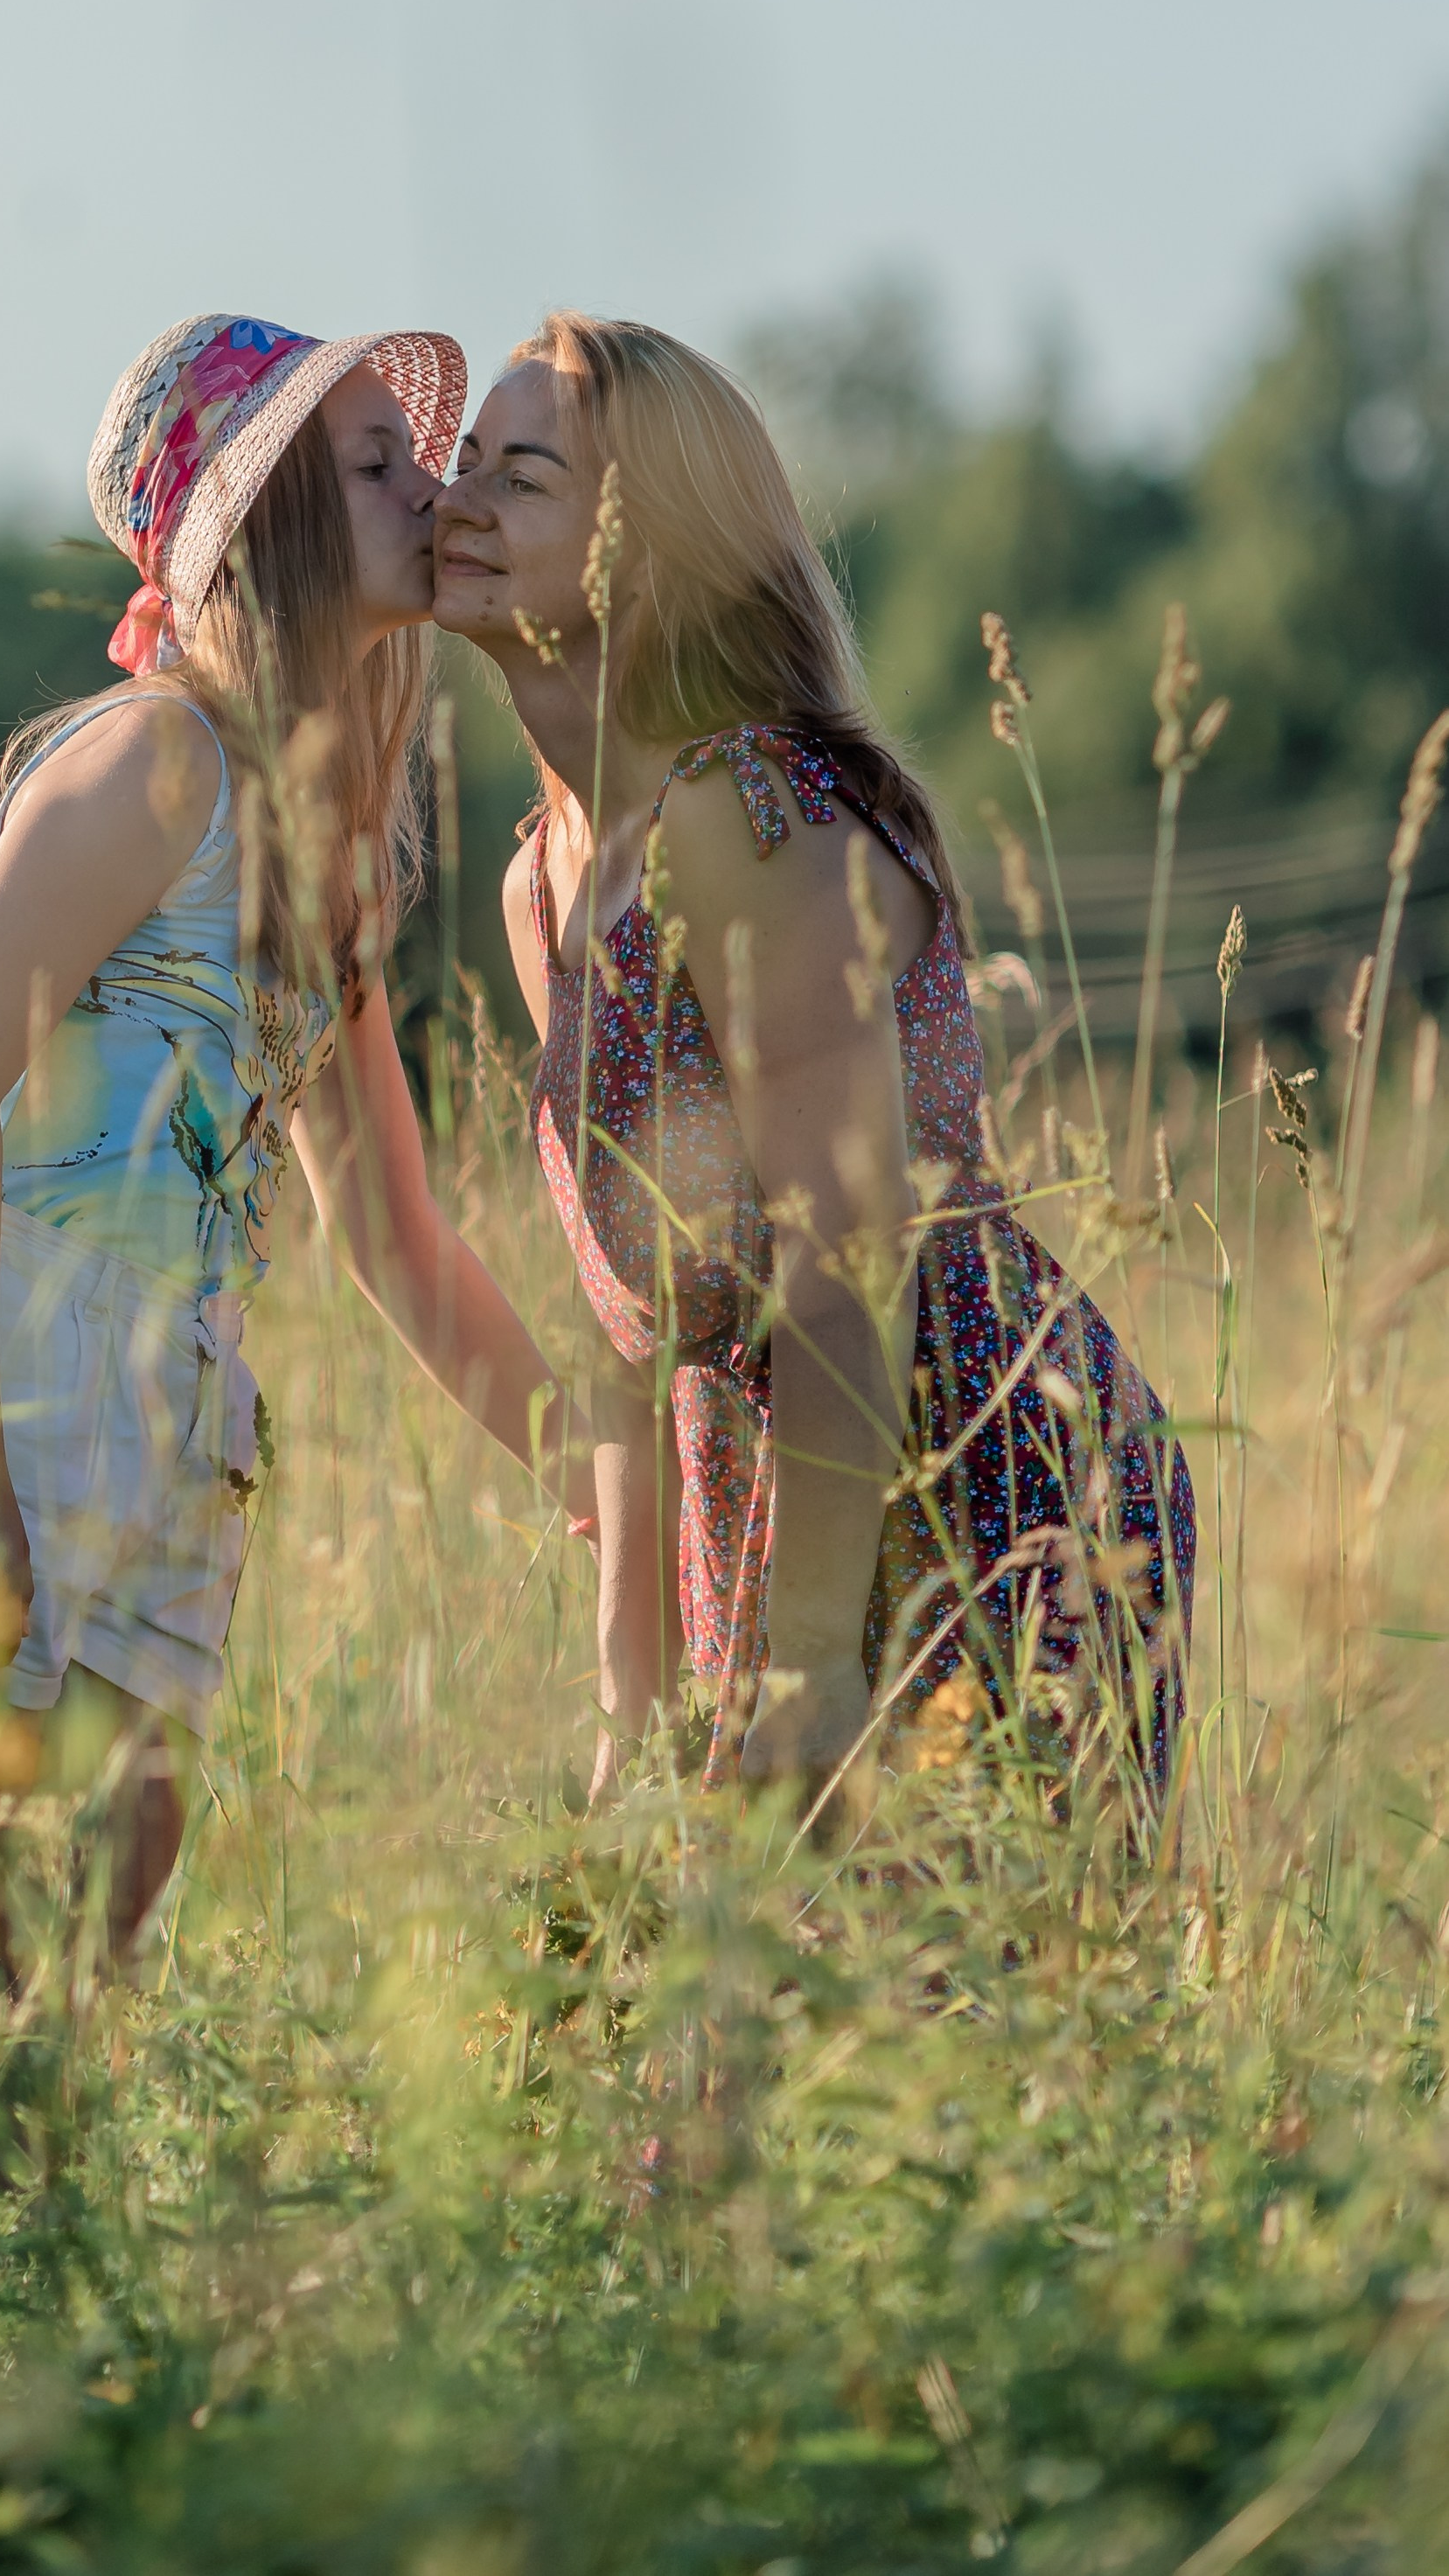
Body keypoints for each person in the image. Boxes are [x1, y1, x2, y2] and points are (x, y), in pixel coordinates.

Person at [0, 312, 592, 2216]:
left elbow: (390, 1231)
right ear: (265, 525)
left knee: (55, 2011)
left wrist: (602, 1466)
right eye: (373, 463)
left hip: (161, 1433)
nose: (429, 488)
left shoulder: (323, 869)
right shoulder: (153, 764)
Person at [431, 311, 1195, 1815]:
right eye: (460, 461)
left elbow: (845, 1254)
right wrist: (627, 1696)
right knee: (749, 2024)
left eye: (517, 477)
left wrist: (805, 1663)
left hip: (976, 1458)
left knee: (942, 2016)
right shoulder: (545, 884)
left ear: (641, 556)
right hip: (758, 1485)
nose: (455, 497)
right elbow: (637, 1331)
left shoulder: (744, 815)